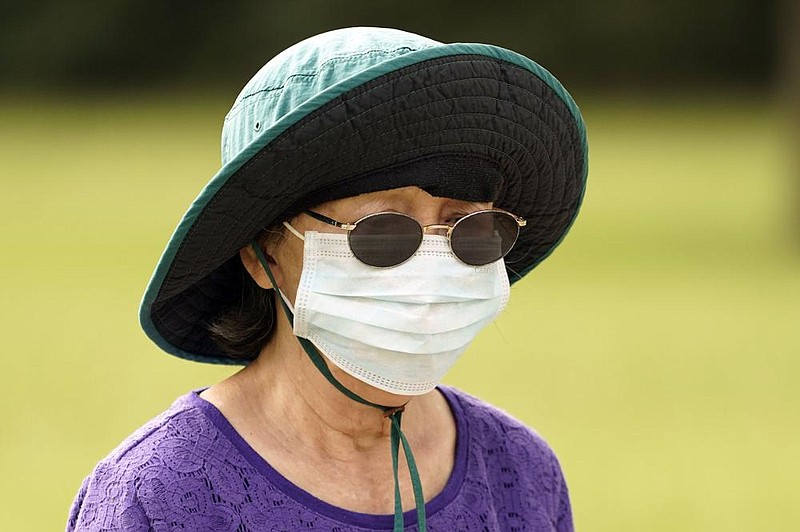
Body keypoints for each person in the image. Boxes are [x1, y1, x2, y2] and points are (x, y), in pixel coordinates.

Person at [67, 26, 587, 531]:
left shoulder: (520, 471)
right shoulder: (159, 499)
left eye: (470, 228)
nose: (433, 267)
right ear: (261, 252)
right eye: (381, 230)